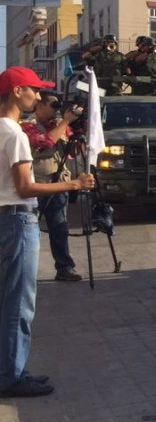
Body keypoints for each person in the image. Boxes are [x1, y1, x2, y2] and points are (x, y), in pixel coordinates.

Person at [0, 67, 95, 397]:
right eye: (34, 90)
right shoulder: (13, 133)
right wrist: (73, 183)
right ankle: (11, 376)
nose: (39, 97)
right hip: (16, 219)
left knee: (8, 300)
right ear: (16, 92)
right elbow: (25, 188)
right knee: (18, 304)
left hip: (5, 218)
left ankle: (10, 369)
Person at [20, 93, 83, 282]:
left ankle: (64, 267)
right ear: (39, 105)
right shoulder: (27, 125)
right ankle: (24, 270)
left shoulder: (60, 124)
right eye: (53, 105)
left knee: (59, 227)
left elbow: (71, 154)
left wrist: (77, 137)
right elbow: (44, 143)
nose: (56, 109)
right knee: (29, 230)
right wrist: (64, 122)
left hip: (58, 184)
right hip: (36, 185)